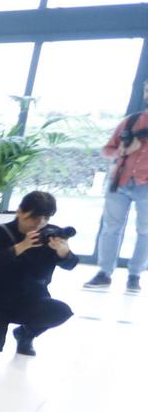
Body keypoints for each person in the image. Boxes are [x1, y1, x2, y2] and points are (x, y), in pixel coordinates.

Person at [0, 191, 78, 356]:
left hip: (31, 298)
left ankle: (25, 334)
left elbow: (71, 264)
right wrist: (22, 246)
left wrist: (64, 254)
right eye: (34, 217)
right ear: (20, 211)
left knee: (61, 311)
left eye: (45, 218)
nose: (39, 224)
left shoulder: (52, 234)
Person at [86, 108, 148, 291]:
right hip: (119, 183)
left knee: (145, 231)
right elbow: (106, 150)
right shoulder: (131, 121)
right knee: (111, 228)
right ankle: (104, 273)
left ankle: (135, 276)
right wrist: (122, 151)